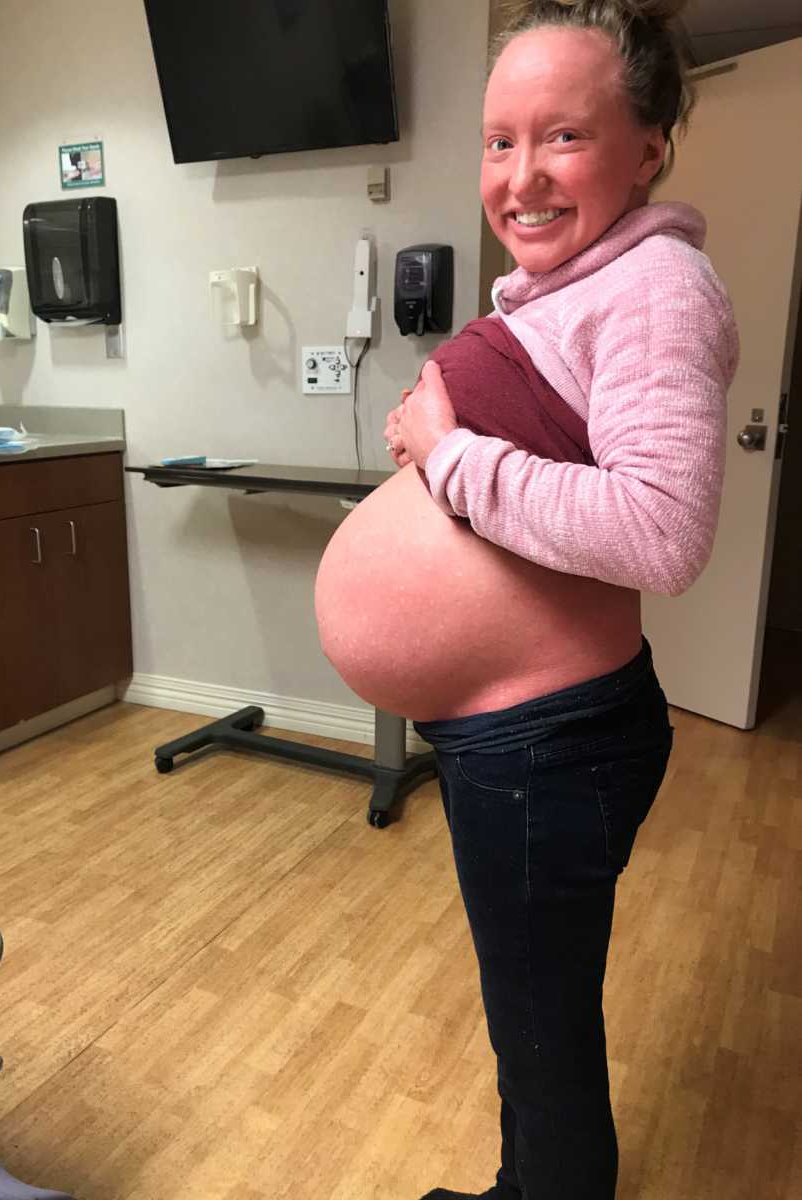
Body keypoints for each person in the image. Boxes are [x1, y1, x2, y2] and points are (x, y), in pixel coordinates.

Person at [314, 1, 739, 1198]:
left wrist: (449, 457)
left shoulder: (659, 285)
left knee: (542, 1028)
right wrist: (435, 433)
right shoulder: (578, 286)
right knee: (537, 1014)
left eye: (563, 136)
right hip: (526, 732)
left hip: (549, 743)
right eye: (500, 142)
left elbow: (662, 532)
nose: (521, 175)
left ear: (647, 146)